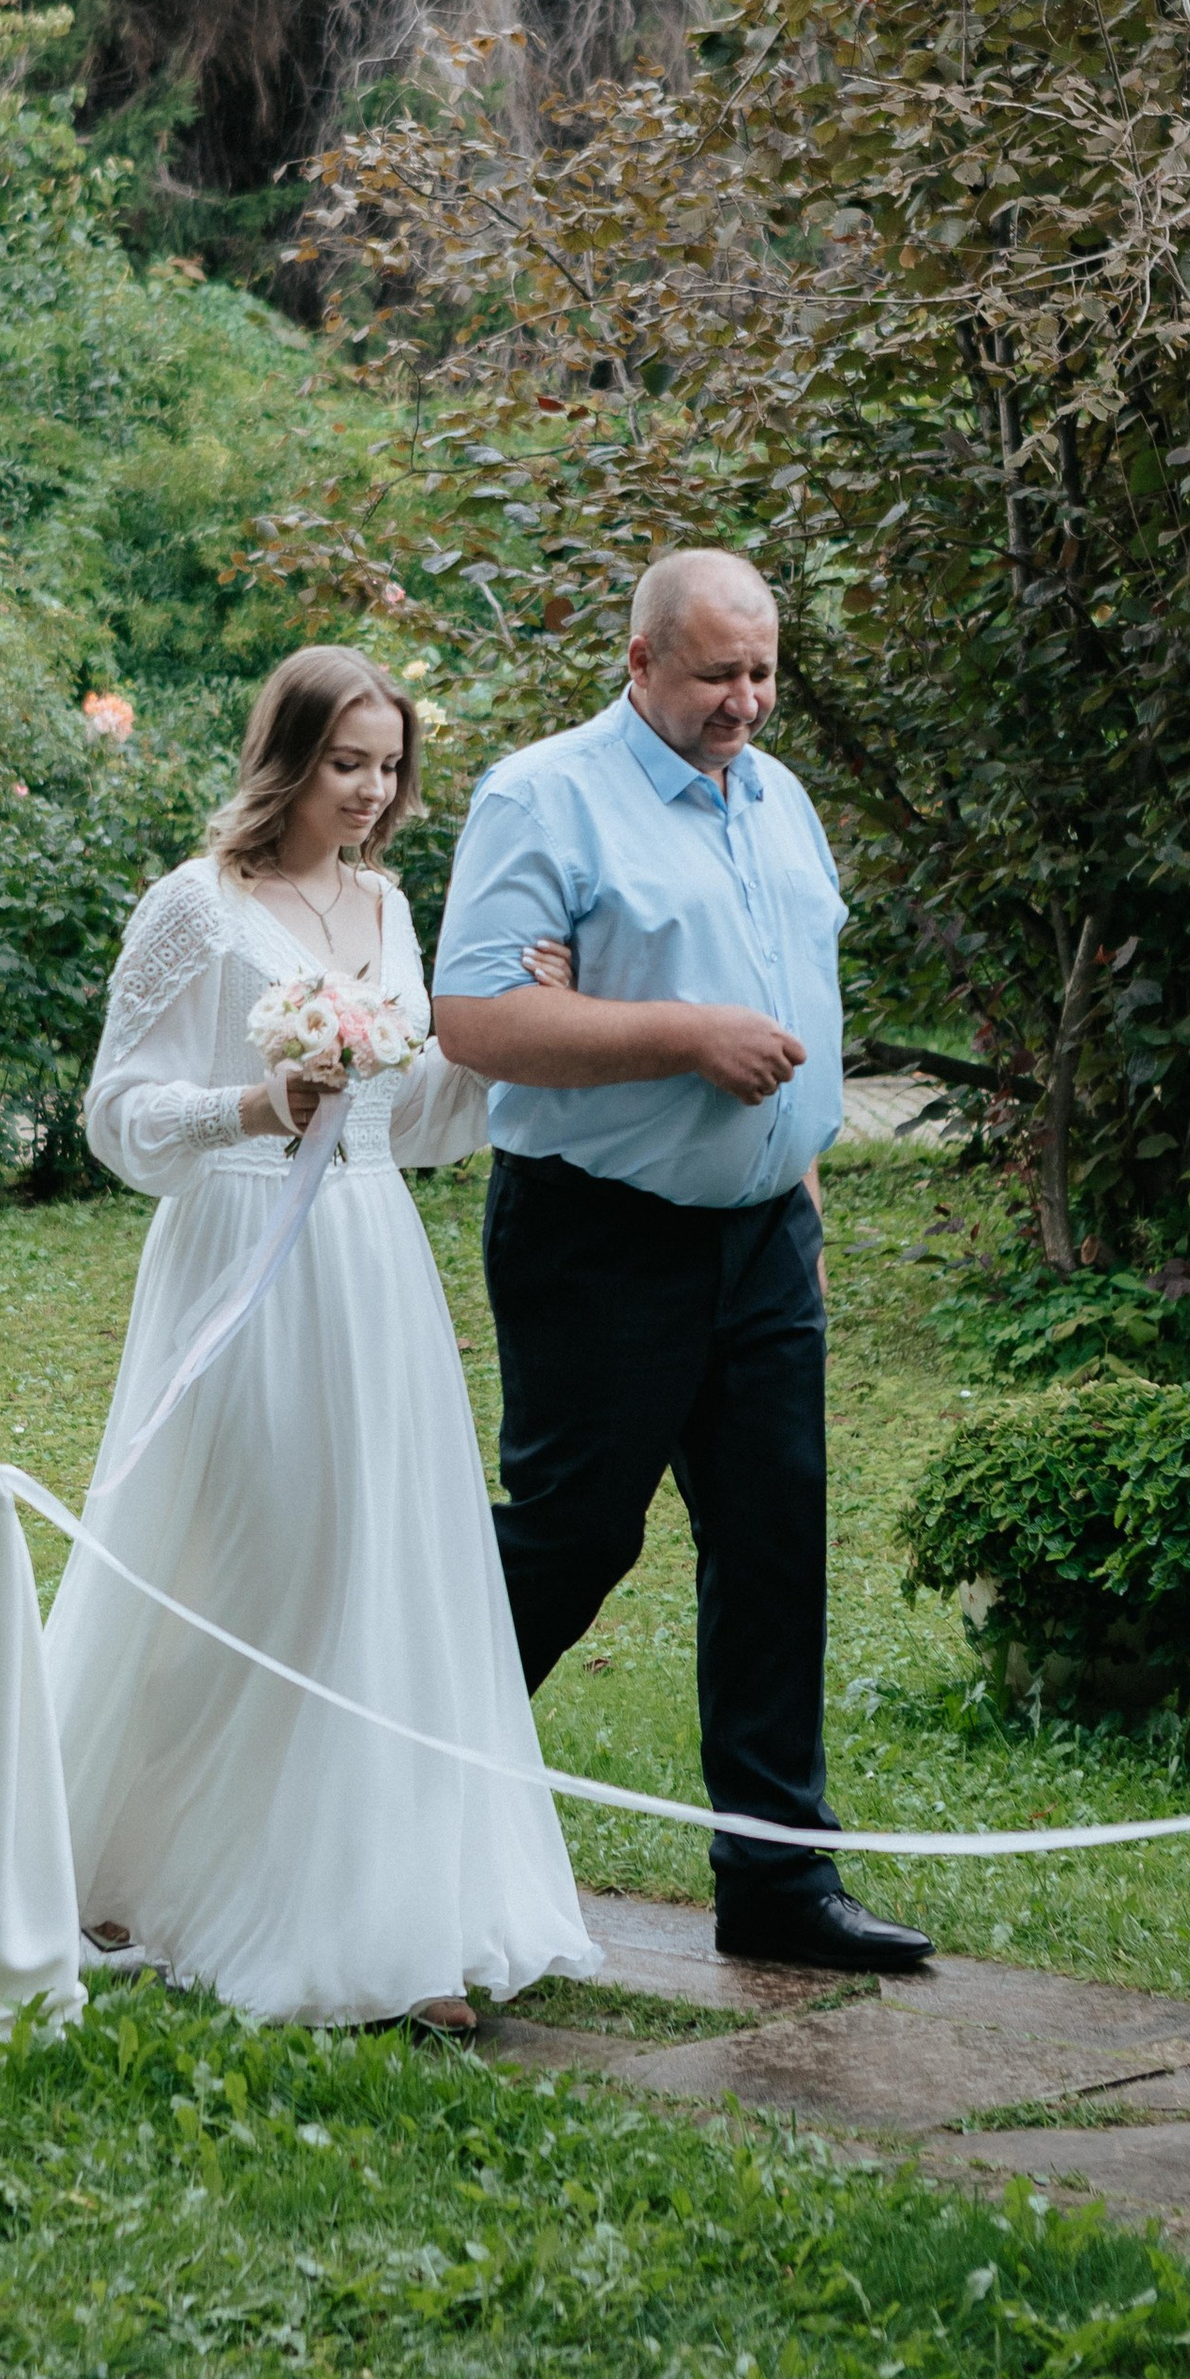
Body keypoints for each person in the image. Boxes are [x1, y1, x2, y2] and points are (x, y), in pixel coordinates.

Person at [49, 644, 595, 2030]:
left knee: (371, 1562)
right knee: (250, 1551)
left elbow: (410, 1121)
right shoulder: (198, 905)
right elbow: (114, 1114)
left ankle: (380, 1917)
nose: (371, 791)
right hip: (240, 1253)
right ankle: (138, 1859)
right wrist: (250, 1106)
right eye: (347, 763)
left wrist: (507, 1034)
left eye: (390, 767)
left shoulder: (390, 906)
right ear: (286, 758)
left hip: (368, 1263)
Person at [431, 549, 931, 1975]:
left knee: (774, 1544)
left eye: (764, 673)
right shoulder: (543, 797)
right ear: (640, 660)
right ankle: (389, 1791)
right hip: (600, 1235)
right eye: (718, 674)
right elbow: (474, 1017)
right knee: (576, 1536)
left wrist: (800, 1196)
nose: (746, 702)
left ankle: (777, 1885)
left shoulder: (778, 797)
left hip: (765, 1238)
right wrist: (684, 1035)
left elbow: (799, 1007)